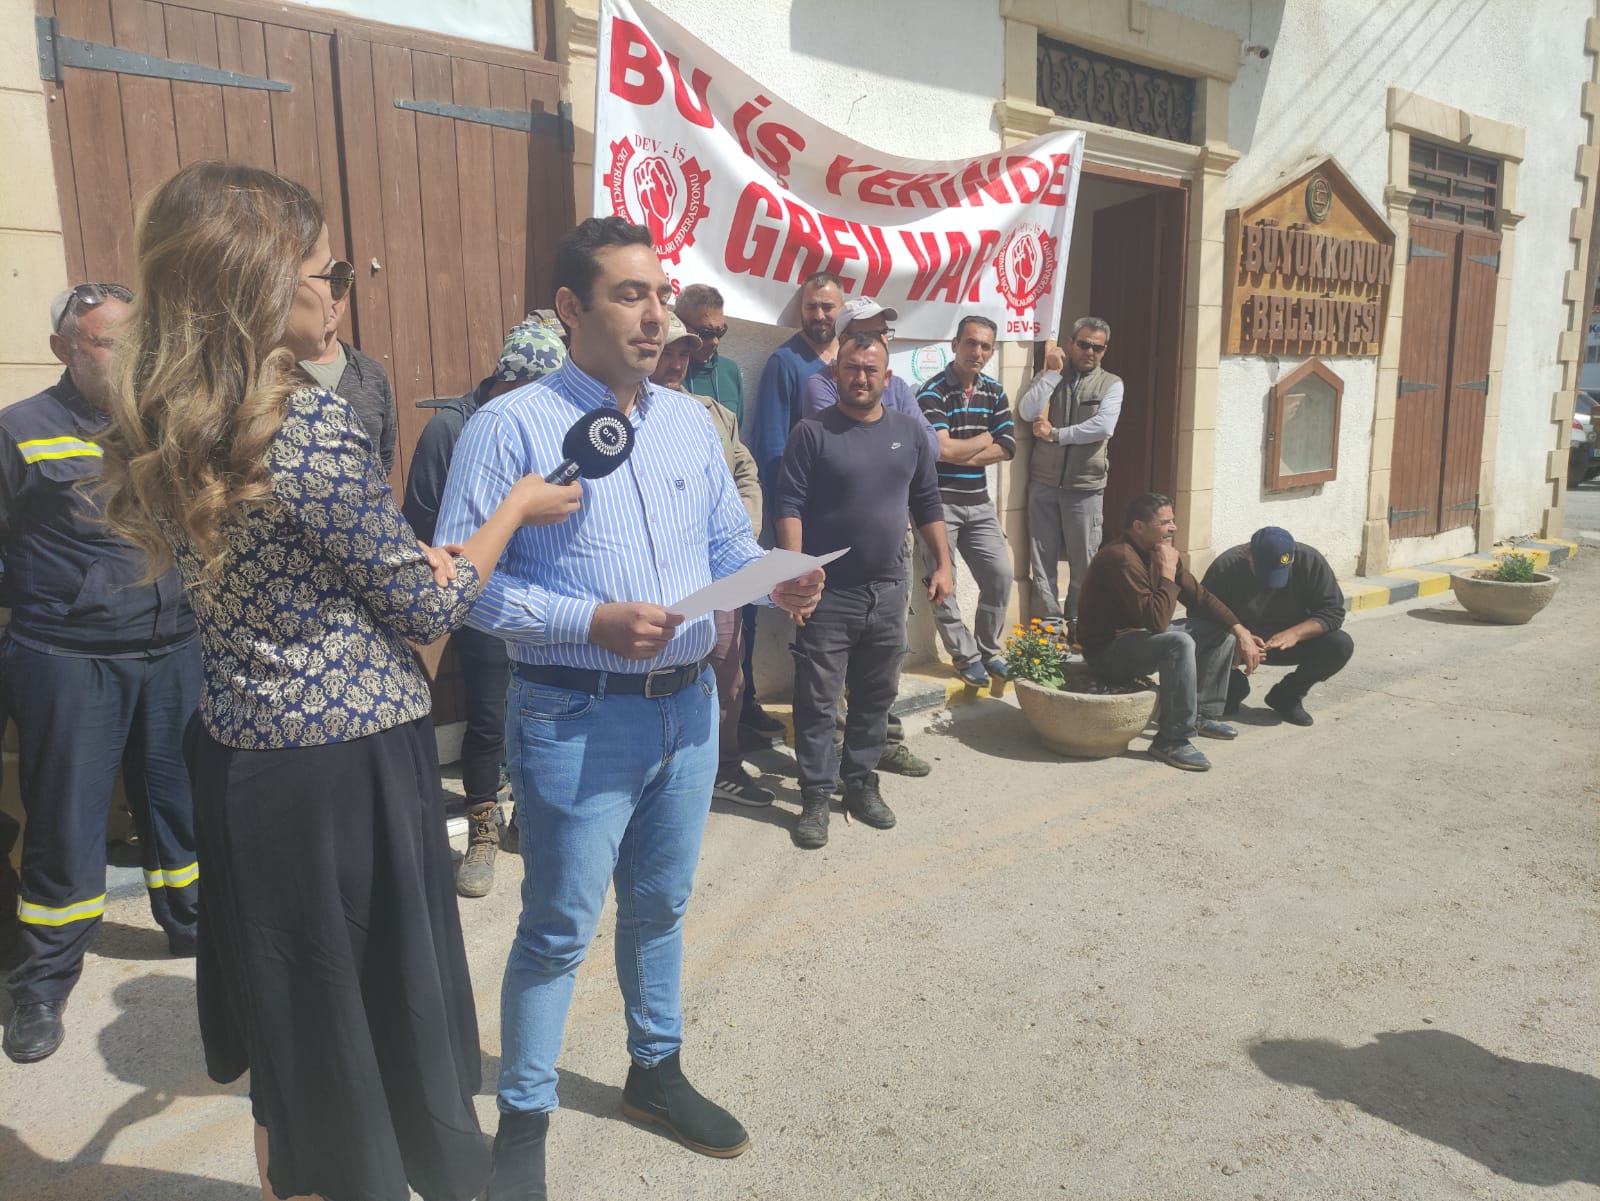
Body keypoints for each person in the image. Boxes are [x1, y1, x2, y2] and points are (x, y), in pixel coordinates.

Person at [98, 160, 581, 1201]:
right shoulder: (304, 428)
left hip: (241, 753)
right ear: (260, 286)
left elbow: (318, 574)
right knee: (380, 1015)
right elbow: (425, 610)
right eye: (328, 272)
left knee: (298, 1033)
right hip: (345, 770)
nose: (339, 293)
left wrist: (405, 568)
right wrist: (510, 512)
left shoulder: (173, 414)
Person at [433, 216, 823, 1200]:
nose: (655, 315)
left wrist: (775, 575)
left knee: (660, 904)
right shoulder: (509, 428)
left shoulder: (690, 421)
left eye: (660, 294)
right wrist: (588, 621)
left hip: (687, 712)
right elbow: (463, 587)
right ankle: (524, 1118)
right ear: (571, 308)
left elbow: (724, 550)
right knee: (558, 927)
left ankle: (655, 1071)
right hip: (575, 715)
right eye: (629, 294)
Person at [0, 283, 202, 1065]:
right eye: (109, 344)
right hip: (68, 659)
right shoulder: (20, 431)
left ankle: (192, 925)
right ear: (64, 349)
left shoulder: (163, 424)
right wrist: (55, 599)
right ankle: (42, 982)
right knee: (64, 824)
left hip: (173, 646)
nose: (129, 360)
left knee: (182, 804)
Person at [404, 314, 569, 898]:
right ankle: (481, 829)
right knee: (488, 713)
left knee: (542, 709)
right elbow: (421, 523)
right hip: (478, 592)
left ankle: (527, 815)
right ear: (506, 382)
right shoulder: (451, 429)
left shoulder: (553, 423)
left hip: (544, 595)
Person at [777, 332, 952, 850]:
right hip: (828, 593)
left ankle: (860, 783)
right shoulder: (812, 432)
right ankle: (815, 794)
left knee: (876, 696)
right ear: (836, 373)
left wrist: (943, 564)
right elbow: (789, 504)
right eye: (851, 368)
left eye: (871, 369)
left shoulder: (909, 432)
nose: (860, 377)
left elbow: (927, 501)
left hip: (889, 588)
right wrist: (796, 572)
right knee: (818, 700)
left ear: (887, 377)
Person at [804, 297, 939, 777]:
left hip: (892, 552)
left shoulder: (896, 384)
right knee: (826, 683)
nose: (879, 338)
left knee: (882, 665)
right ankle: (832, 767)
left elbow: (926, 445)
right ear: (844, 341)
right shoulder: (820, 387)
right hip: (834, 563)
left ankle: (878, 750)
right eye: (869, 330)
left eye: (883, 333)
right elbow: (852, 447)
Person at [650, 312, 772, 808]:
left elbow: (745, 472)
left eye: (684, 353)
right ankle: (664, 775)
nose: (676, 363)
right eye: (668, 352)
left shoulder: (713, 415)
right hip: (660, 579)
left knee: (727, 673)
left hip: (717, 571)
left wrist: (739, 528)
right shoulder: (616, 420)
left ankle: (723, 767)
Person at [1076, 493, 1262, 772]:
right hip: (1108, 652)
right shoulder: (1121, 558)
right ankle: (1172, 739)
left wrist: (1240, 630)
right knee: (1178, 642)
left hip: (1139, 637)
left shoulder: (1160, 552)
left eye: (1173, 520)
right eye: (1165, 523)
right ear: (1139, 527)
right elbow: (1157, 622)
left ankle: (1201, 713)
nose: (1173, 528)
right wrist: (1166, 572)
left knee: (1220, 630)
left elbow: (1201, 598)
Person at [741, 272, 846, 746]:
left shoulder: (852, 360)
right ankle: (820, 730)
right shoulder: (785, 362)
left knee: (847, 616)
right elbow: (771, 447)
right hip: (806, 518)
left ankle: (846, 714)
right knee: (815, 619)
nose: (819, 315)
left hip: (848, 516)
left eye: (827, 306)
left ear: (840, 308)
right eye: (811, 307)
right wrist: (788, 524)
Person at [916, 315, 1017, 687]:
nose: (978, 352)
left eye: (985, 346)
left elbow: (1008, 447)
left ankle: (989, 651)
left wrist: (962, 451)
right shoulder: (931, 392)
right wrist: (983, 439)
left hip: (979, 503)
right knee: (944, 584)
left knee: (1000, 575)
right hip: (938, 504)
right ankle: (966, 656)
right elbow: (942, 450)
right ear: (955, 344)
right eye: (971, 343)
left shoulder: (995, 391)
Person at [1017, 317, 1122, 644]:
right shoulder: (1052, 375)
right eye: (1084, 344)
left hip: (1085, 488)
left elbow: (1103, 427)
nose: (1089, 352)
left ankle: (1079, 621)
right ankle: (1048, 626)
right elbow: (1027, 411)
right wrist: (1051, 373)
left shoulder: (1111, 384)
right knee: (1042, 560)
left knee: (1084, 562)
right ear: (1071, 343)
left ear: (1104, 350)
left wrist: (1057, 434)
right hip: (1044, 482)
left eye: (1097, 347)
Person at [1198, 526, 1353, 726]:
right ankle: (1231, 688)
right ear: (1248, 555)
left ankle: (1287, 696)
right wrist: (1233, 638)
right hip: (1239, 642)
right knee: (1199, 642)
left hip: (1286, 642)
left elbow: (1333, 612)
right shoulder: (1226, 566)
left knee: (1340, 644)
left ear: (1292, 558)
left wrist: (1295, 634)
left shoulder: (1311, 561)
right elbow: (1200, 613)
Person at [298, 281, 398, 475]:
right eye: (320, 293)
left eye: (336, 293)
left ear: (344, 301)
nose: (329, 302)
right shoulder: (276, 373)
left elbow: (385, 457)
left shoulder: (372, 375)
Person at [677, 282, 744, 426]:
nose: (715, 342)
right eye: (707, 333)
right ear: (681, 323)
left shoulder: (730, 371)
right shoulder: (666, 370)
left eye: (720, 332)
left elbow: (736, 432)